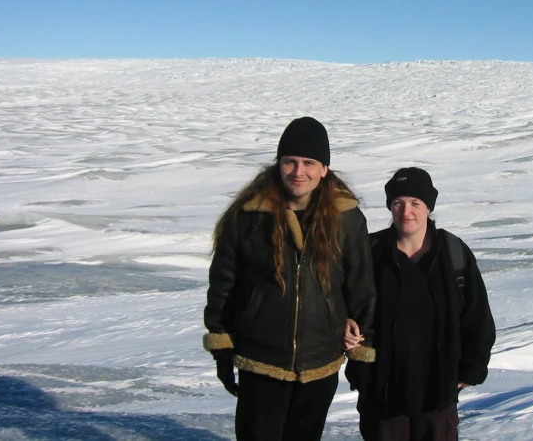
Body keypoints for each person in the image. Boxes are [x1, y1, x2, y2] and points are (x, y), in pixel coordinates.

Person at [203, 116, 376, 441]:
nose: (298, 172)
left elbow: (361, 286)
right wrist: (221, 344)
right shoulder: (248, 216)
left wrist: (362, 348)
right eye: (290, 162)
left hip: (320, 361)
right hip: (260, 360)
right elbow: (224, 283)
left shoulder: (346, 218)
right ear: (279, 164)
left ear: (324, 168)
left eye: (309, 163)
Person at [344, 167, 496, 441]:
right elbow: (341, 304)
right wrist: (342, 329)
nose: (406, 211)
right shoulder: (369, 251)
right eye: (398, 203)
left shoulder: (454, 253)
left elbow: (477, 318)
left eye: (415, 203)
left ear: (429, 206)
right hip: (382, 393)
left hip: (437, 393)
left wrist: (469, 371)